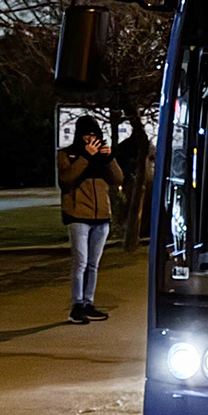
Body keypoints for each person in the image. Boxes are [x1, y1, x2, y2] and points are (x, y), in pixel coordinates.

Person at [58, 116, 124, 324]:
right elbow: (66, 179)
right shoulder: (66, 154)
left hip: (101, 216)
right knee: (80, 262)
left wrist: (109, 158)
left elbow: (118, 179)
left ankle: (88, 302)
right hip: (78, 215)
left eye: (94, 135)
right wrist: (85, 157)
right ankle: (76, 306)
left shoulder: (100, 157)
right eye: (87, 135)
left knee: (93, 264)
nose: (91, 139)